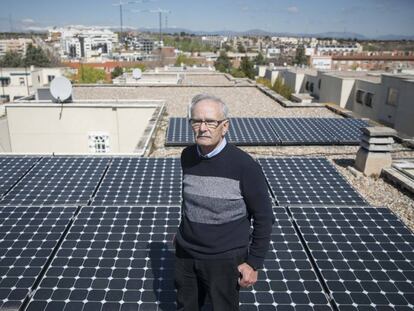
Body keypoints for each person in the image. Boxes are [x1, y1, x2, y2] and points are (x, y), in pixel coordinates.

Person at [174, 93, 274, 311]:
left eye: (211, 121)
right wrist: (182, 232)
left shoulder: (245, 166)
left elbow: (264, 217)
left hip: (224, 260)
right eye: (197, 121)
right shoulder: (187, 156)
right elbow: (189, 201)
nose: (203, 128)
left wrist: (253, 262)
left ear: (225, 126)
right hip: (186, 255)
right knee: (185, 306)